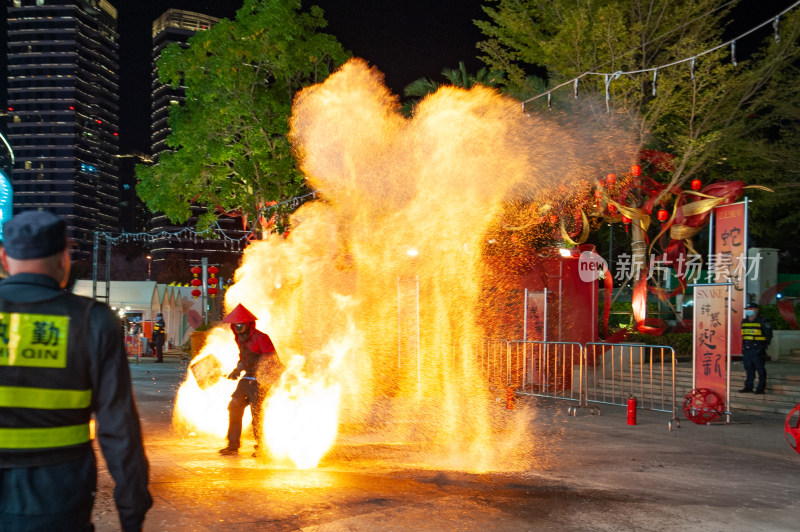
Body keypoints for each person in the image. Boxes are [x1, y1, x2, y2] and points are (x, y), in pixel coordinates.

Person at [0, 211, 152, 531]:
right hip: (56, 495)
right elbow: (118, 426)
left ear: (4, 257)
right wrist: (132, 509)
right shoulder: (91, 321)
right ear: (65, 258)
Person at [218, 303, 283, 456]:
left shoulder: (261, 338)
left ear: (248, 324)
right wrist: (237, 370)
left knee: (257, 412)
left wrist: (264, 376)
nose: (238, 327)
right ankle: (232, 446)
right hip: (247, 379)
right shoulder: (240, 339)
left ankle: (262, 447)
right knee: (234, 406)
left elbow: (271, 360)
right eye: (236, 325)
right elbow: (243, 359)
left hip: (261, 381)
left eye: (241, 324)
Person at [739, 302, 772, 394]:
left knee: (760, 369)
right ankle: (748, 386)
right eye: (748, 309)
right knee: (748, 368)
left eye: (751, 309)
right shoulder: (744, 321)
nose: (749, 311)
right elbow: (743, 335)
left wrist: (763, 346)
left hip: (758, 349)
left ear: (756, 309)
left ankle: (760, 388)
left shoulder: (763, 320)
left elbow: (768, 335)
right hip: (747, 349)